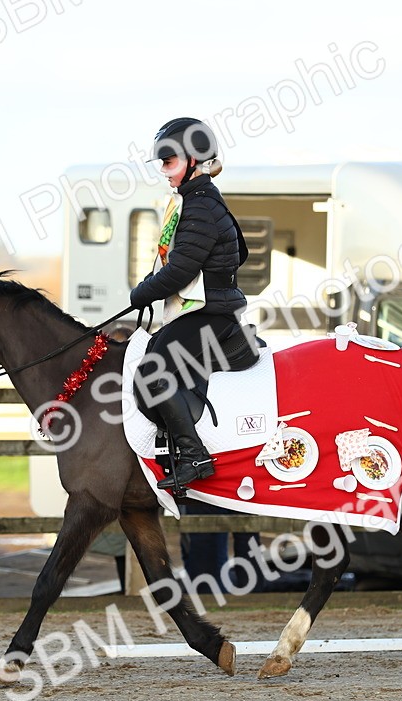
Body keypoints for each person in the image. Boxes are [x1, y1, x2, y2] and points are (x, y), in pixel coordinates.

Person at [129, 117, 249, 491]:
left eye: (168, 162)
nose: (164, 171)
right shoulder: (199, 201)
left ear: (193, 161)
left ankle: (193, 454)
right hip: (210, 310)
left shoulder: (199, 207)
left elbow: (180, 271)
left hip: (211, 317)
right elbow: (239, 254)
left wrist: (141, 293)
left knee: (151, 374)